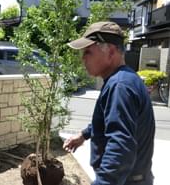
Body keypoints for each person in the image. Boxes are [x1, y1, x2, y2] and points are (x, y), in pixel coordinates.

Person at [63, 21, 155, 185]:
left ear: (111, 52)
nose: (83, 58)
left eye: (88, 52)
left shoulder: (119, 86)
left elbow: (121, 145)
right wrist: (84, 134)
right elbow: (111, 120)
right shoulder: (123, 79)